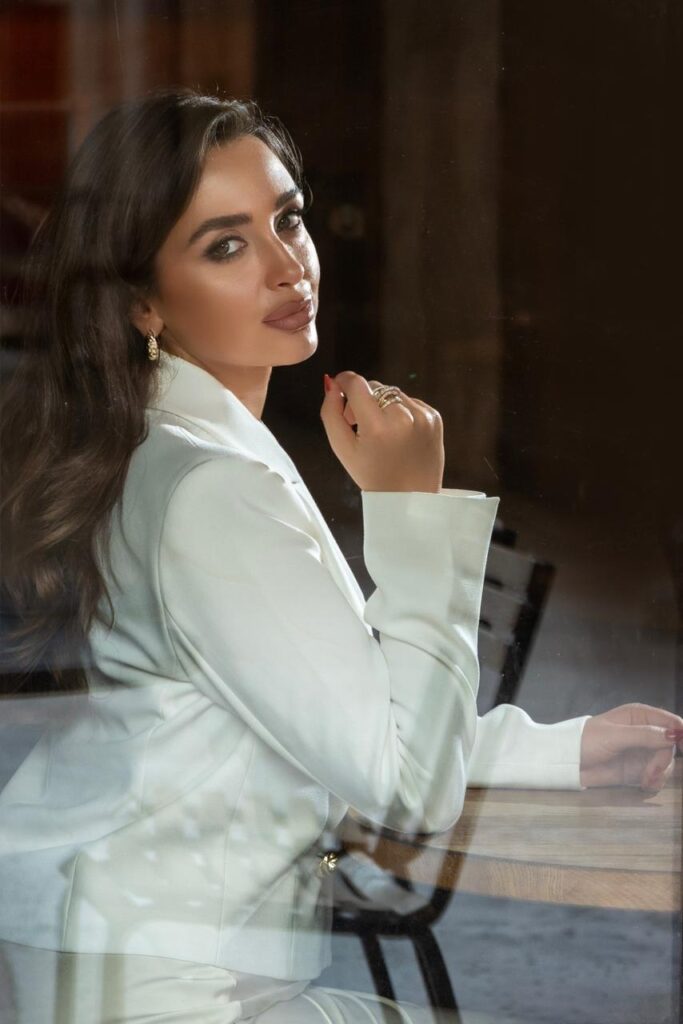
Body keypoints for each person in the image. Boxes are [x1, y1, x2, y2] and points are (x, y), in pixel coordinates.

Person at [0, 89, 681, 1024]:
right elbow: (407, 790)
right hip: (170, 996)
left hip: (125, 966)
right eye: (226, 246)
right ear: (143, 304)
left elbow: (349, 711)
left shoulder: (178, 447)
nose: (289, 266)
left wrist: (565, 749)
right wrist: (409, 507)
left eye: (287, 220)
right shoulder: (210, 490)